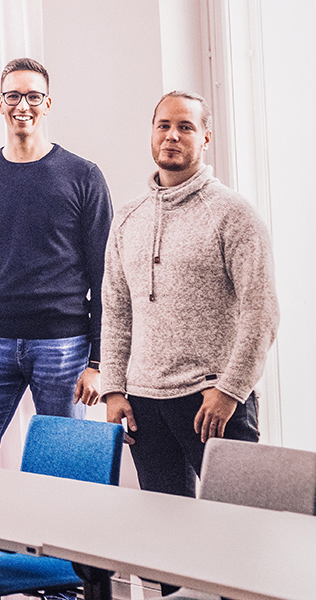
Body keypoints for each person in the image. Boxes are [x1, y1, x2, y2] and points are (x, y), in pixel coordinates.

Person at [102, 91, 278, 499]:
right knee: (165, 537)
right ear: (152, 134)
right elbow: (115, 311)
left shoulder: (234, 213)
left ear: (205, 138)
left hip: (212, 401)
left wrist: (232, 390)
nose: (172, 136)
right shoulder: (128, 218)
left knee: (241, 527)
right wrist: (113, 389)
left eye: (186, 127)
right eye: (163, 125)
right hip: (143, 404)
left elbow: (262, 312)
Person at [0, 58, 113, 469]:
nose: (23, 105)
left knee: (64, 472)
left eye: (33, 96)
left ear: (47, 104)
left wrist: (98, 362)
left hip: (64, 346)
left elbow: (105, 275)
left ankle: (53, 538)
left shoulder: (83, 176)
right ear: (0, 104)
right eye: (14, 96)